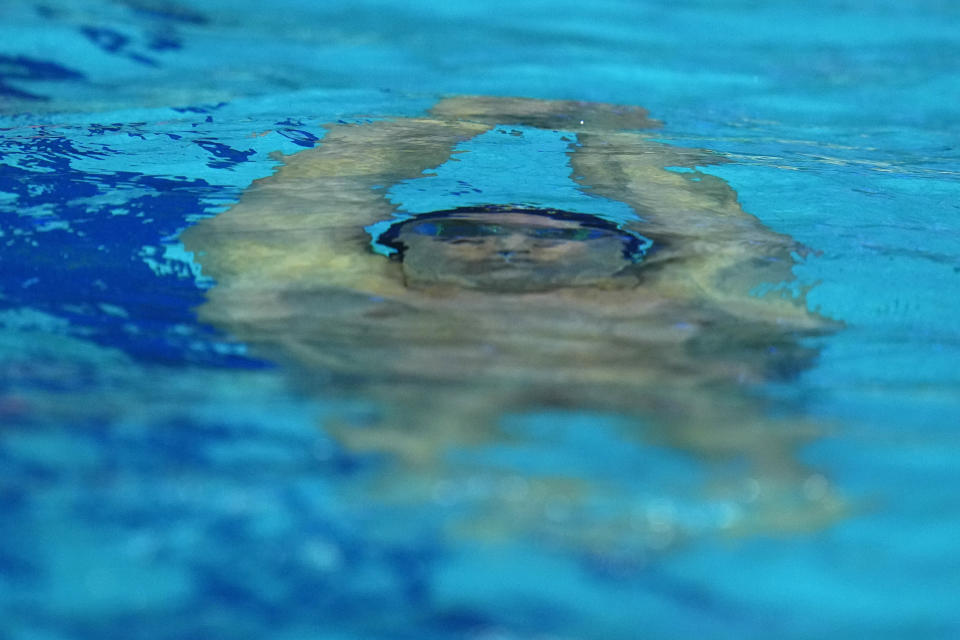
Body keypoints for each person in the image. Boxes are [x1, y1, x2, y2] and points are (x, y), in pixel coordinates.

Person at [181, 96, 843, 554]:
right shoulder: (376, 290)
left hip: (653, 401)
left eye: (563, 235)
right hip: (420, 446)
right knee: (418, 453)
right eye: (464, 231)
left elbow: (738, 246)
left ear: (627, 253)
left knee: (750, 451)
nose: (511, 245)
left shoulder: (667, 295)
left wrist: (623, 146)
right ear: (400, 250)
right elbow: (264, 233)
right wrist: (450, 119)